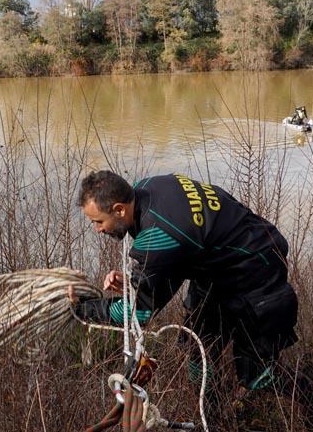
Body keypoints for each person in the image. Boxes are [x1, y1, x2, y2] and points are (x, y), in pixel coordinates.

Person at [70, 170, 298, 400]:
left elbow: (138, 313)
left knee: (257, 375)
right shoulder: (148, 185)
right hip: (217, 270)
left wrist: (80, 308)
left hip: (256, 271)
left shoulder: (158, 238)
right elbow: (172, 254)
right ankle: (212, 418)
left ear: (119, 209)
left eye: (98, 222)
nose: (97, 230)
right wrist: (138, 280)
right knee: (197, 348)